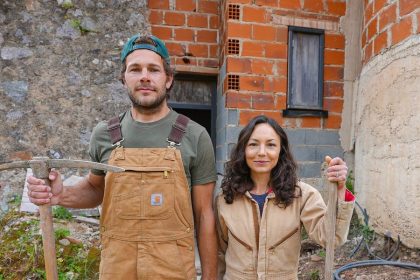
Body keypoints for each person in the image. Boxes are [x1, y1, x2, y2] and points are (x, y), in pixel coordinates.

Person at [27, 34, 218, 280]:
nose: (145, 77)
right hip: (117, 269)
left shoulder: (195, 135)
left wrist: (211, 276)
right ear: (123, 78)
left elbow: (205, 214)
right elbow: (97, 189)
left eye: (154, 70)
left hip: (173, 270)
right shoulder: (104, 134)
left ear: (168, 79)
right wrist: (59, 194)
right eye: (135, 69)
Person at [216, 115, 355, 280]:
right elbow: (219, 253)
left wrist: (340, 189)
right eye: (253, 144)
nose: (262, 152)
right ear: (243, 150)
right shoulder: (226, 198)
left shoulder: (302, 195)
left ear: (281, 151)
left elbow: (331, 238)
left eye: (271, 145)